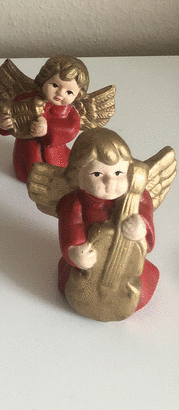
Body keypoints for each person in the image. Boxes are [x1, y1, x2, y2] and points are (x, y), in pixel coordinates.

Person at [56, 129, 159, 320]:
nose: (110, 181)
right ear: (77, 176)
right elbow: (71, 227)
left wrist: (141, 227)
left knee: (142, 284)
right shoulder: (74, 202)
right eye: (97, 174)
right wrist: (75, 252)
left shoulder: (137, 197)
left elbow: (145, 215)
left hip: (125, 264)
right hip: (89, 269)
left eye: (119, 172)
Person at [0, 55, 88, 182]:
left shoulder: (70, 113)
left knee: (51, 176)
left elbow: (72, 130)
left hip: (53, 156)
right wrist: (4, 123)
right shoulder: (26, 99)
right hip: (24, 151)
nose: (60, 93)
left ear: (77, 95)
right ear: (44, 80)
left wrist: (48, 129)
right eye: (55, 85)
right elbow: (12, 112)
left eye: (69, 92)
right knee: (23, 172)